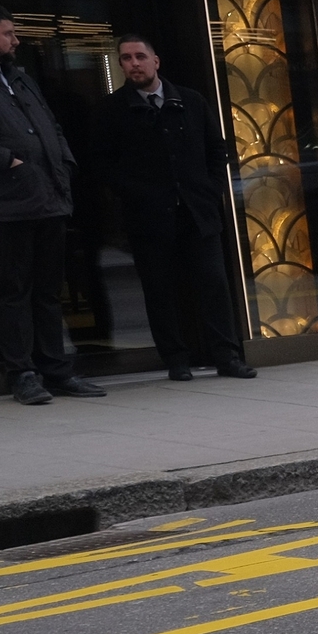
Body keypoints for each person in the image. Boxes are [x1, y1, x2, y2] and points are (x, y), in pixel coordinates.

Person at [99, 33, 256, 382]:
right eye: (126, 58)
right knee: (159, 291)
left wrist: (211, 190)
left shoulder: (190, 101)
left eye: (140, 56)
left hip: (197, 214)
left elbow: (218, 151)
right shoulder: (113, 110)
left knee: (213, 284)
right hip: (149, 219)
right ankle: (176, 358)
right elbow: (104, 166)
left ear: (156, 61)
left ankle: (227, 356)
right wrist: (135, 196)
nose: (133, 64)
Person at [0, 4, 102, 405]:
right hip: (5, 206)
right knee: (11, 292)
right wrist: (10, 161)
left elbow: (51, 125)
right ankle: (22, 373)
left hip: (47, 200)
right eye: (8, 33)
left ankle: (55, 369)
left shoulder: (19, 77)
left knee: (48, 292)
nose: (15, 40)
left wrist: (63, 163)